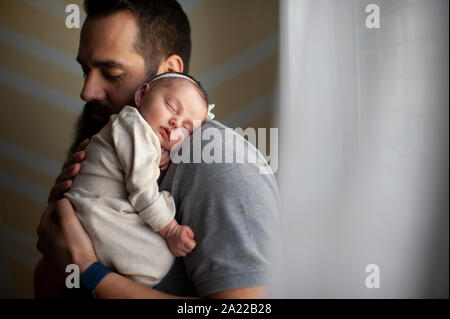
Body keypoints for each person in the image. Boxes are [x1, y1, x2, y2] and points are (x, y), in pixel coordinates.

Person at [35, 0, 279, 299]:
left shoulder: (219, 161)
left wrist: (90, 272)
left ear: (167, 72)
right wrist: (60, 224)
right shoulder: (108, 148)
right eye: (86, 70)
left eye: (111, 73)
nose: (87, 91)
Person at [64, 72, 212, 288]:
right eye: (171, 107)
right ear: (142, 94)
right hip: (97, 213)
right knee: (159, 258)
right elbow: (142, 190)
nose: (175, 122)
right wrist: (170, 230)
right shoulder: (134, 124)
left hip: (93, 212)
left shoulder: (140, 133)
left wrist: (157, 152)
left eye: (186, 128)